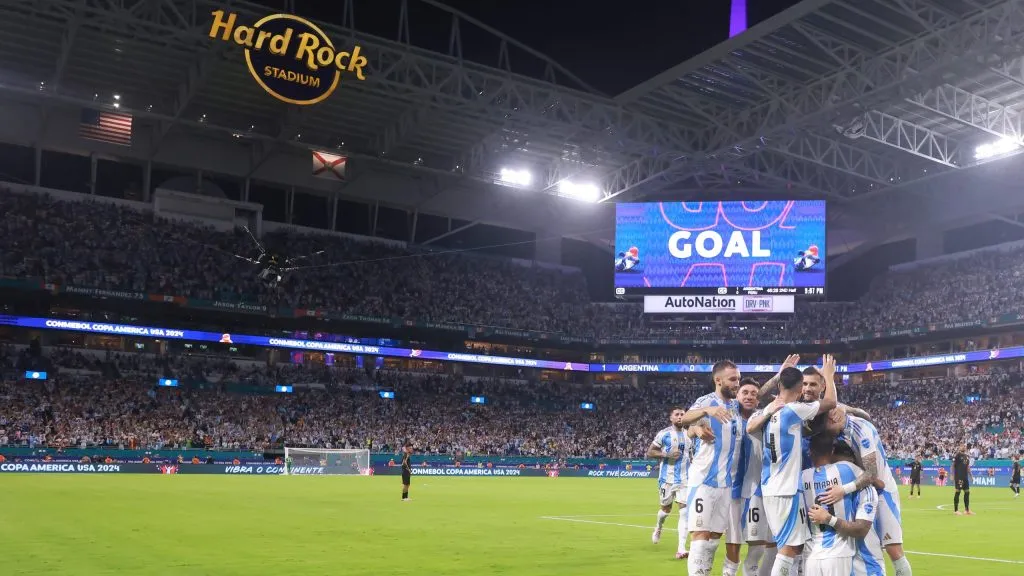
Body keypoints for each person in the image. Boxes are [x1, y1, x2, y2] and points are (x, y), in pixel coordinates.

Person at [747, 356, 837, 576]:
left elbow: (750, 426)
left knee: (790, 546)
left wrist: (779, 375)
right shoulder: (793, 410)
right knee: (789, 548)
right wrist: (828, 376)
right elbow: (830, 402)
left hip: (771, 487)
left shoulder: (767, 411)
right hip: (786, 489)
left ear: (779, 386)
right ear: (799, 389)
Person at [822, 407, 912, 576]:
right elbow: (866, 415)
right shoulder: (841, 431)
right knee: (859, 548)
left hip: (883, 493)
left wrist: (843, 490)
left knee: (894, 550)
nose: (824, 431)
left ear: (834, 418)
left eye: (824, 424)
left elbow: (872, 474)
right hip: (862, 490)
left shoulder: (861, 429)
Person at [678, 360, 745, 576]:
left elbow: (754, 394)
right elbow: (685, 419)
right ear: (718, 380)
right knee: (700, 536)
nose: (737, 383)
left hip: (725, 483)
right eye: (733, 379)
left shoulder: (735, 405)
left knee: (715, 537)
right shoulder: (707, 401)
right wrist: (705, 412)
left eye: (738, 379)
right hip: (703, 480)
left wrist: (780, 375)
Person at [802, 433, 885, 576]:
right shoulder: (847, 469)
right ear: (832, 451)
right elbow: (874, 479)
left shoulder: (802, 476)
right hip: (839, 554)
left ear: (810, 451)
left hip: (810, 555)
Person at [735, 379, 776, 576]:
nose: (750, 396)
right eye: (745, 392)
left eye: (754, 394)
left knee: (774, 545)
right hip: (752, 490)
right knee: (757, 546)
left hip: (774, 490)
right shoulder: (736, 419)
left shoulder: (769, 416)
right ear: (737, 395)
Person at [647, 407, 692, 559]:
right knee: (665, 510)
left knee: (684, 512)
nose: (680, 417)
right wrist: (666, 454)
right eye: (677, 414)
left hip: (684, 479)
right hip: (666, 478)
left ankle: (681, 548)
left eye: (682, 414)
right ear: (671, 418)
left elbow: (692, 454)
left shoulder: (690, 434)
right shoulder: (664, 434)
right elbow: (650, 452)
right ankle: (659, 527)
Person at [952, 445, 972, 515]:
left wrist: (971, 476)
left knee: (967, 492)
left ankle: (967, 510)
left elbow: (968, 467)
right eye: (961, 446)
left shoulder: (967, 457)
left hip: (965, 477)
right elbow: (953, 465)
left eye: (964, 446)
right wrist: (952, 475)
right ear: (959, 448)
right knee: (958, 492)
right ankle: (956, 510)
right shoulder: (958, 455)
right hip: (959, 477)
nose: (963, 447)